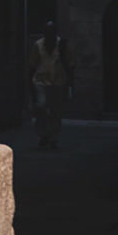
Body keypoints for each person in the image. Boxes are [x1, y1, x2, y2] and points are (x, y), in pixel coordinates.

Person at [28, 21, 73, 149]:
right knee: (41, 108)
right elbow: (32, 65)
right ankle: (43, 134)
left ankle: (53, 137)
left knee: (55, 111)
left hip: (58, 82)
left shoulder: (62, 45)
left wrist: (69, 84)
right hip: (41, 81)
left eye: (52, 32)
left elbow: (70, 64)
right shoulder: (38, 45)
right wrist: (30, 84)